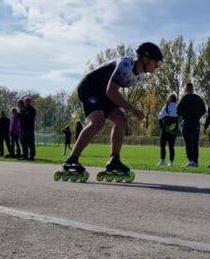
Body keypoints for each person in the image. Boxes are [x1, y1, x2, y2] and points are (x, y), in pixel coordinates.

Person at [62, 42, 163, 177]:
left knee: (121, 119)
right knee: (98, 121)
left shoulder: (140, 76)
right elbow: (112, 92)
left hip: (104, 92)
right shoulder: (125, 65)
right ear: (145, 58)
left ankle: (114, 160)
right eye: (156, 61)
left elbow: (111, 92)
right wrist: (133, 110)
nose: (157, 66)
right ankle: (72, 159)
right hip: (89, 87)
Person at [177, 82, 206, 167]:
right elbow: (204, 110)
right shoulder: (198, 98)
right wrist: (197, 116)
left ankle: (191, 160)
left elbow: (178, 110)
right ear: (192, 89)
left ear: (186, 89)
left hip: (187, 122)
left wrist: (184, 114)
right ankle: (195, 161)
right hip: (196, 122)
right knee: (195, 142)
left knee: (188, 142)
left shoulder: (184, 98)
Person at [157, 93, 179, 167]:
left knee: (162, 146)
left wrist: (161, 126)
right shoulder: (177, 107)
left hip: (165, 129)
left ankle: (162, 161)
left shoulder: (166, 107)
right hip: (173, 129)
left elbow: (160, 117)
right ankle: (171, 162)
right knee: (171, 146)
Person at [19, 96, 37, 161]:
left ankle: (32, 156)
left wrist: (22, 114)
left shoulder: (32, 110)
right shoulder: (23, 109)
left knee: (31, 143)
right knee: (23, 143)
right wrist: (21, 112)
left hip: (29, 129)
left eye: (28, 101)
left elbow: (28, 117)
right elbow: (18, 116)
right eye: (26, 101)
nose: (27, 102)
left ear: (30, 102)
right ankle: (25, 155)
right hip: (22, 129)